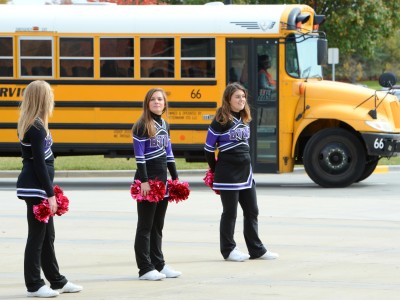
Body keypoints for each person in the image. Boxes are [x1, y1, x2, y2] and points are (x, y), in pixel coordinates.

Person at [16, 80, 82, 298]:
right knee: (37, 237)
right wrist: (50, 194)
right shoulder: (35, 127)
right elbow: (39, 164)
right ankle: (34, 284)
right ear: (42, 98)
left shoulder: (37, 124)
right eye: (49, 94)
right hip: (36, 188)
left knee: (47, 236)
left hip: (38, 186)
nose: (52, 98)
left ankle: (56, 280)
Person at [204, 82, 279, 262]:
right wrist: (215, 171)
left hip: (245, 173)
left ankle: (256, 249)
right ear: (228, 99)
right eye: (237, 96)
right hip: (227, 174)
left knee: (252, 210)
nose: (242, 100)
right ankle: (228, 250)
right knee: (230, 212)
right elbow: (208, 148)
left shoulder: (244, 119)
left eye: (243, 97)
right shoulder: (220, 121)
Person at [132, 88, 182, 281]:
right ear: (147, 103)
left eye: (160, 99)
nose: (157, 102)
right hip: (147, 182)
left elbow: (169, 153)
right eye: (153, 99)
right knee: (145, 226)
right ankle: (144, 268)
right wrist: (144, 181)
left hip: (163, 182)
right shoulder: (142, 125)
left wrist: (175, 178)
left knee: (157, 226)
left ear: (165, 103)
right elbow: (140, 156)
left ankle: (159, 264)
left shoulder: (165, 125)